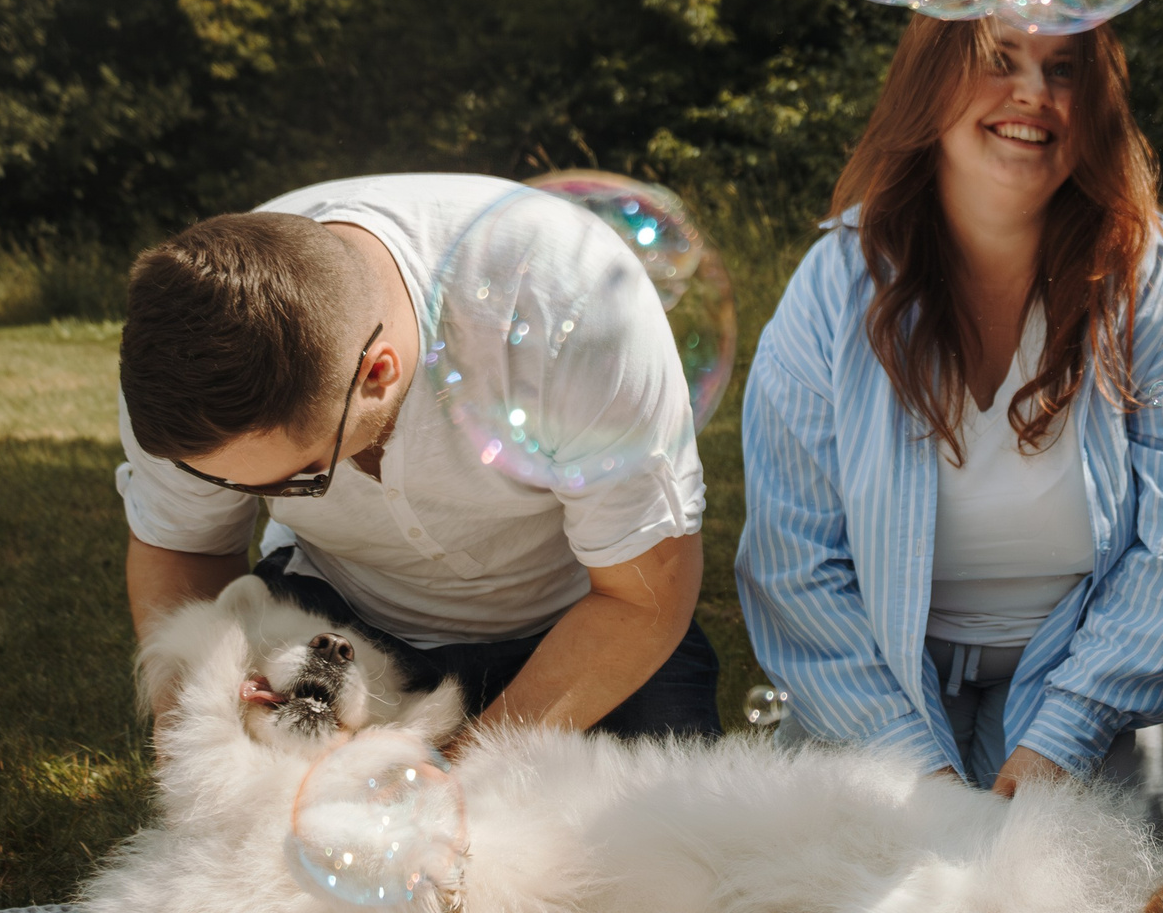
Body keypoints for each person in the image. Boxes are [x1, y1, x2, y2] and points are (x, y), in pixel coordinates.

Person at [736, 15, 1163, 828]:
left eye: (1065, 68)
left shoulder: (1150, 275)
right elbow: (795, 563)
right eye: (999, 61)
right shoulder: (838, 279)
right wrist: (911, 766)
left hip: (1090, 682)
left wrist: (1066, 733)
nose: (1034, 94)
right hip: (876, 688)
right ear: (930, 84)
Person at [115, 173, 719, 739]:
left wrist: (455, 772)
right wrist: (194, 734)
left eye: (301, 479)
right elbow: (183, 547)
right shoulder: (182, 357)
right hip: (334, 614)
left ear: (378, 374)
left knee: (659, 830)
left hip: (583, 620)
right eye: (241, 488)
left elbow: (643, 598)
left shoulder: (574, 305)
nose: (264, 498)